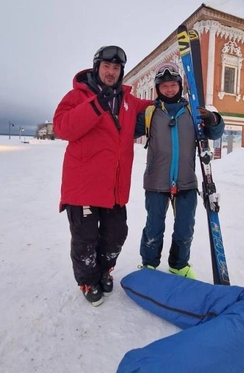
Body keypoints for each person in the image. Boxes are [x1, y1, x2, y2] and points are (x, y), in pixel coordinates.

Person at [53, 45, 153, 306]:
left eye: (116, 68)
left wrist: (178, 96)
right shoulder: (78, 96)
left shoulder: (129, 101)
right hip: (83, 186)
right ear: (97, 67)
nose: (111, 72)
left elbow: (157, 106)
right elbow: (62, 127)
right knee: (85, 240)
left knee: (116, 234)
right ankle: (88, 280)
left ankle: (105, 269)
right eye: (107, 67)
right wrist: (96, 104)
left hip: (114, 187)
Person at [137, 62, 225, 279]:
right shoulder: (150, 112)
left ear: (180, 85)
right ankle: (148, 264)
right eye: (164, 86)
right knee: (154, 227)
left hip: (186, 180)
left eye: (172, 85)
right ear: (158, 88)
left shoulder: (193, 111)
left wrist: (214, 120)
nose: (168, 89)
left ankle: (179, 265)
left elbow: (213, 133)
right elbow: (125, 132)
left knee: (185, 228)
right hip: (156, 180)